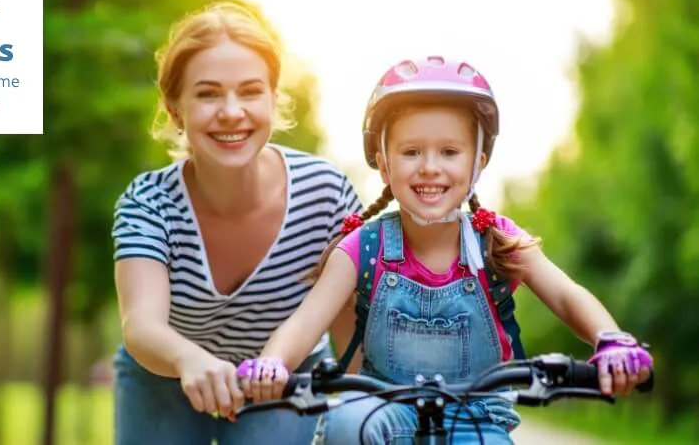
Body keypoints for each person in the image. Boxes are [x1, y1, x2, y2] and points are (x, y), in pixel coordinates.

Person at [237, 56, 654, 444]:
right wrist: (272, 364)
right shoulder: (361, 249)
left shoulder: (497, 243)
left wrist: (611, 340)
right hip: (382, 409)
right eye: (411, 152)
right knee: (347, 422)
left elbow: (566, 294)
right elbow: (304, 322)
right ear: (384, 164)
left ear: (479, 161)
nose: (430, 166)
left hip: (478, 415)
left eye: (450, 152)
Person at [110, 1, 364, 445]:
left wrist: (367, 404)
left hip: (285, 381)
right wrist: (190, 360)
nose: (231, 111)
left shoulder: (325, 194)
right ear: (174, 110)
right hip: (165, 375)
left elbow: (349, 330)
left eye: (249, 91)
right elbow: (141, 325)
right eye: (208, 94)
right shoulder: (148, 202)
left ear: (272, 97)